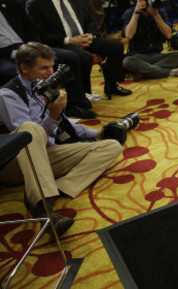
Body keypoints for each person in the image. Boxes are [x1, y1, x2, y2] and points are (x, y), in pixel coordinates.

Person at [0, 42, 122, 237]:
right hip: (14, 162)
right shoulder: (8, 94)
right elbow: (26, 140)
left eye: (51, 66)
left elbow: (64, 125)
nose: (51, 72)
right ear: (24, 68)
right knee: (30, 129)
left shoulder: (42, 86)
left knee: (111, 147)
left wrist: (97, 133)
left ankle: (53, 188)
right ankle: (43, 209)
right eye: (44, 68)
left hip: (44, 155)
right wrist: (53, 116)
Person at [26, 0, 132, 99]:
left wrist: (90, 35)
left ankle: (112, 85)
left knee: (116, 46)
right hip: (61, 43)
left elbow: (91, 22)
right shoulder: (36, 5)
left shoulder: (77, 0)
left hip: (84, 38)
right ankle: (81, 96)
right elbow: (40, 34)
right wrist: (70, 40)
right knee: (83, 56)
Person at [0, 0, 95, 118]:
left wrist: (36, 47)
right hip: (3, 54)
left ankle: (75, 104)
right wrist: (12, 53)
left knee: (70, 57)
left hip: (27, 46)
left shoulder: (9, 3)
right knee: (10, 71)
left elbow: (31, 28)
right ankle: (31, 112)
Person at [122, 0, 178, 79]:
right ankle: (168, 72)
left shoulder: (159, 12)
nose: (149, 1)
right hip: (138, 56)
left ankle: (145, 72)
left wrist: (155, 15)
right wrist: (136, 13)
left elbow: (169, 35)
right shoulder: (130, 13)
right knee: (127, 62)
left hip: (157, 55)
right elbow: (129, 35)